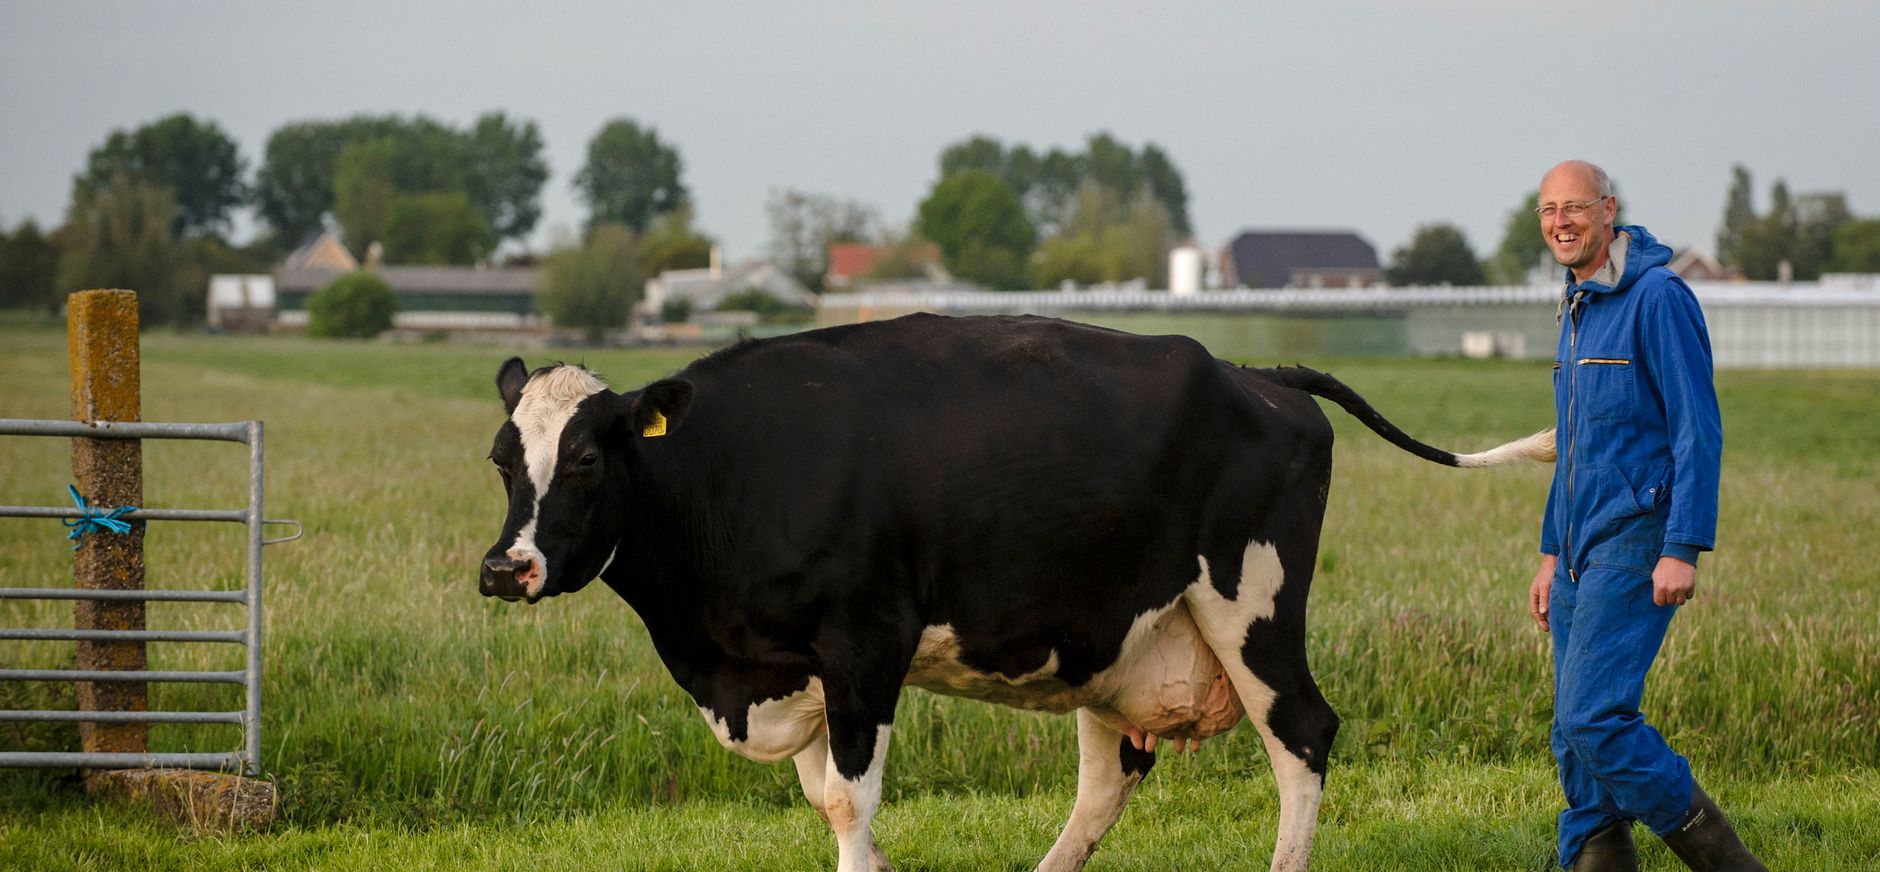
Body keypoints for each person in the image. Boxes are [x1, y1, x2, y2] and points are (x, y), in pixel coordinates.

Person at [1527, 160, 1765, 871]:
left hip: (1636, 537)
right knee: (1572, 737)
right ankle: (1601, 859)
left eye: (1574, 208)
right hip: (1577, 544)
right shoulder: (1578, 304)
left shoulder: (1659, 297)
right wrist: (1548, 553)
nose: (1560, 223)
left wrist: (1683, 545)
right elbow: (1572, 443)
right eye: (1548, 211)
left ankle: (1730, 865)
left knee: (1591, 716)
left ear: (1608, 210)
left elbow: (1698, 429)